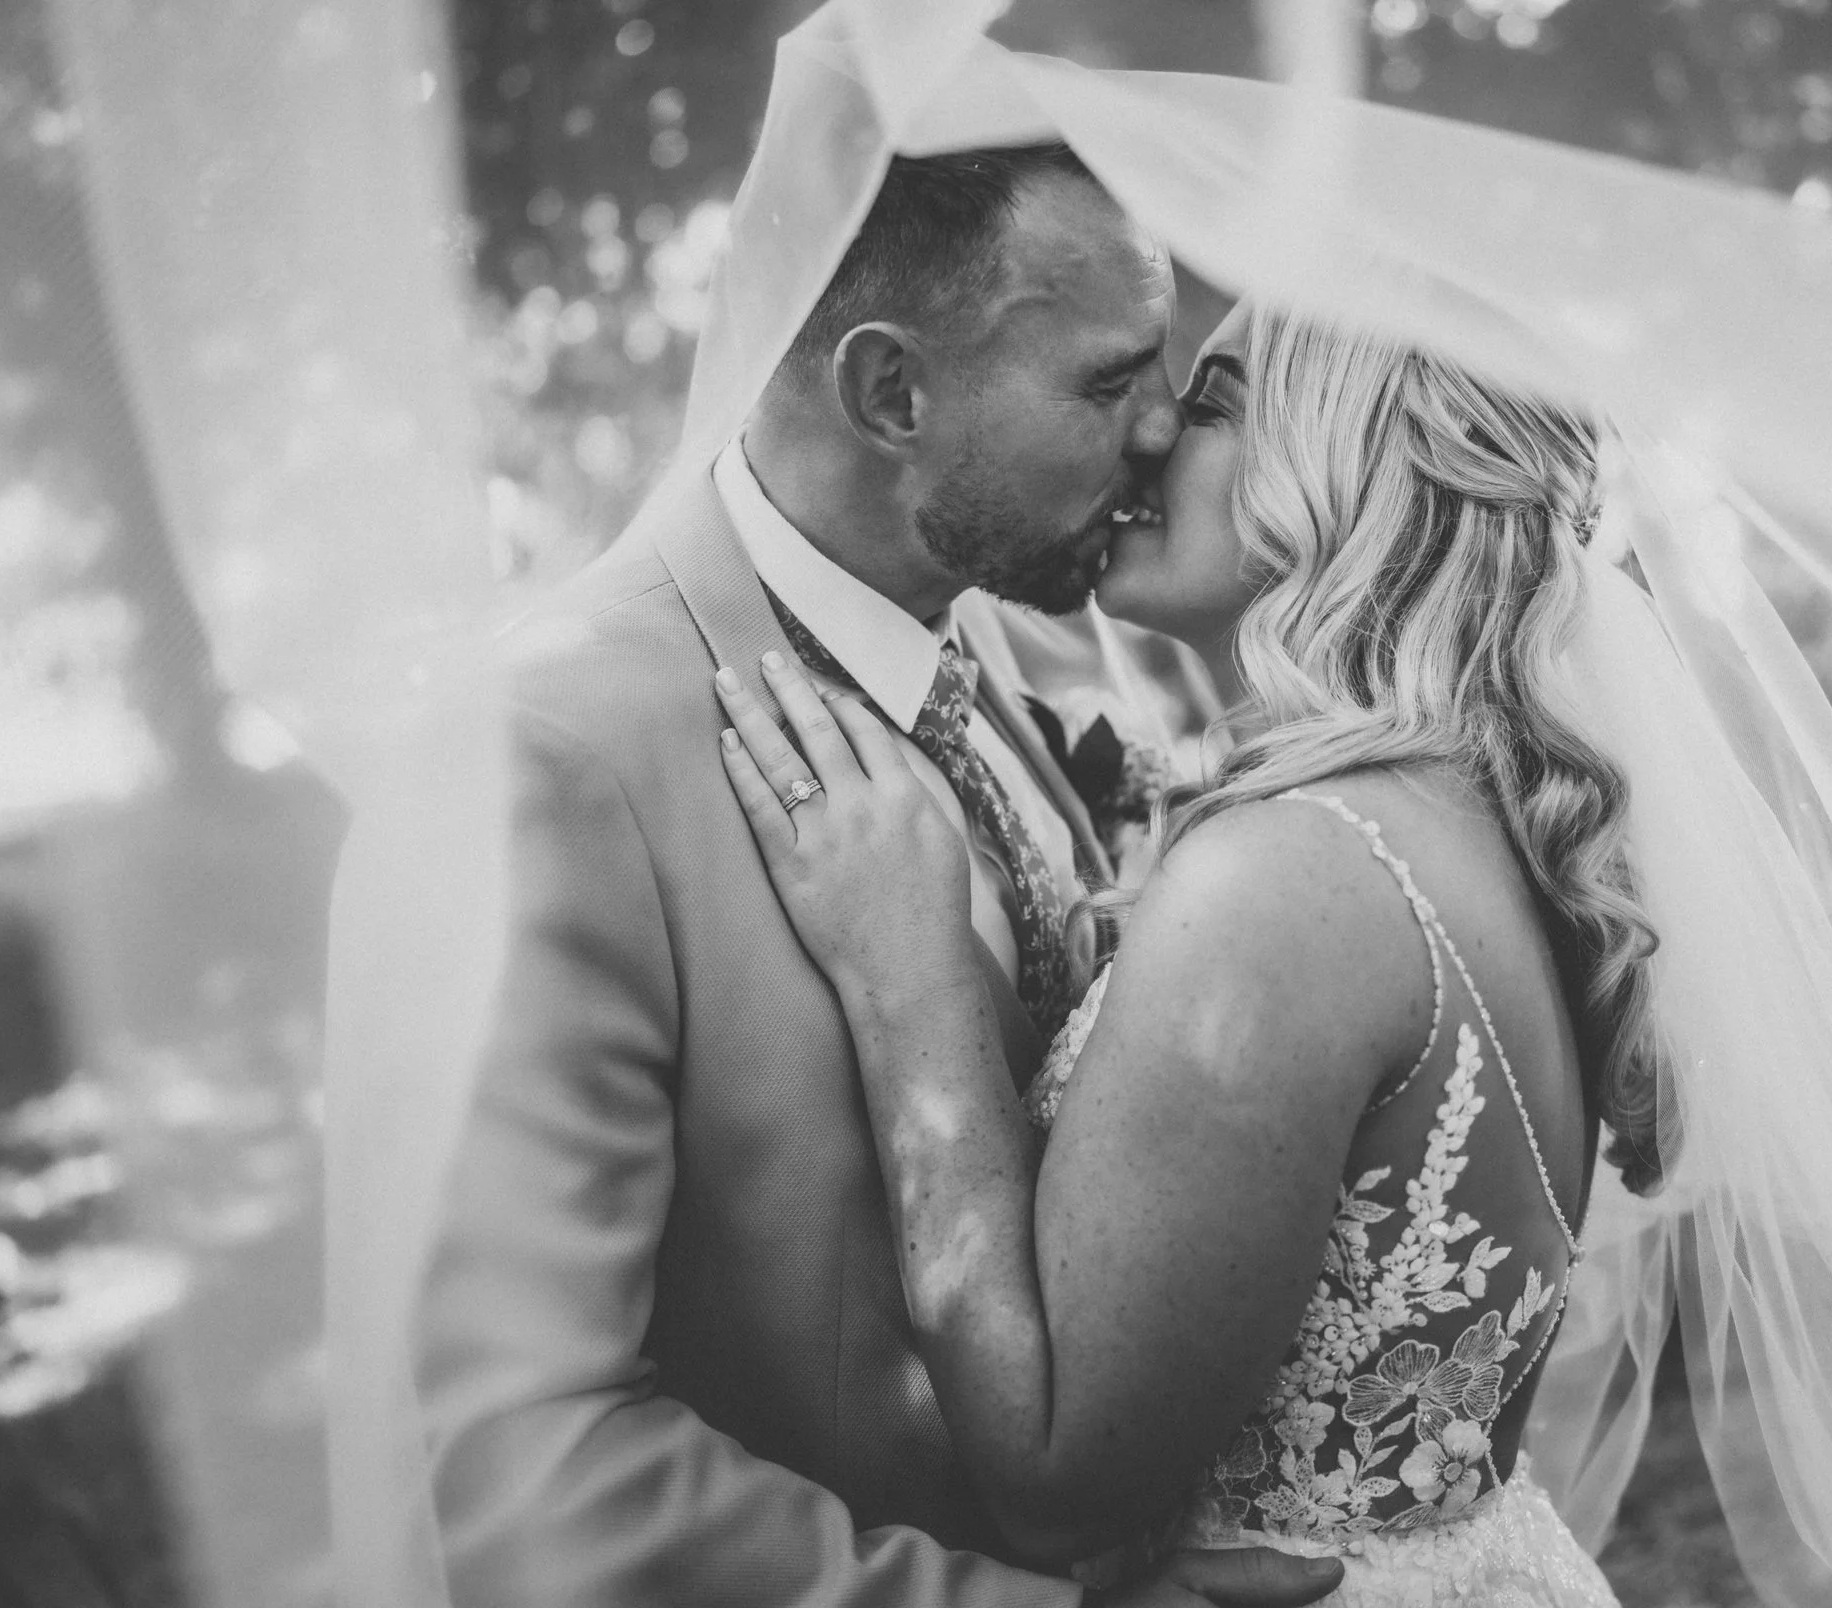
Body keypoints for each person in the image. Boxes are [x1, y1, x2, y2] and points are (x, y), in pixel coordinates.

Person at [414, 141, 1342, 1608]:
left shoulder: (977, 655)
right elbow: (522, 1465)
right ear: (893, 395)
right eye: (1108, 386)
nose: (1169, 430)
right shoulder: (544, 763)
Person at [713, 304, 1638, 1608]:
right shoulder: (1474, 831)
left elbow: (1051, 1474)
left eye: (1210, 406)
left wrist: (906, 968)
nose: (1146, 437)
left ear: (1346, 475)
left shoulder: (1291, 876)